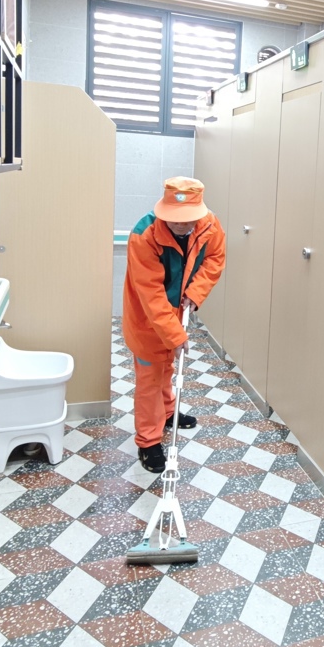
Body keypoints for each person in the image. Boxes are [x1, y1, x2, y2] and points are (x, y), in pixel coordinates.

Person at [123, 177, 226, 473]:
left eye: (187, 219)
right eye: (174, 218)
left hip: (178, 311)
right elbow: (151, 294)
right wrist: (175, 335)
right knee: (150, 379)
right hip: (147, 319)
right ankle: (148, 441)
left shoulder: (210, 225)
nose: (180, 225)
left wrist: (196, 293)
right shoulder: (144, 235)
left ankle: (168, 414)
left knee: (167, 369)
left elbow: (215, 260)